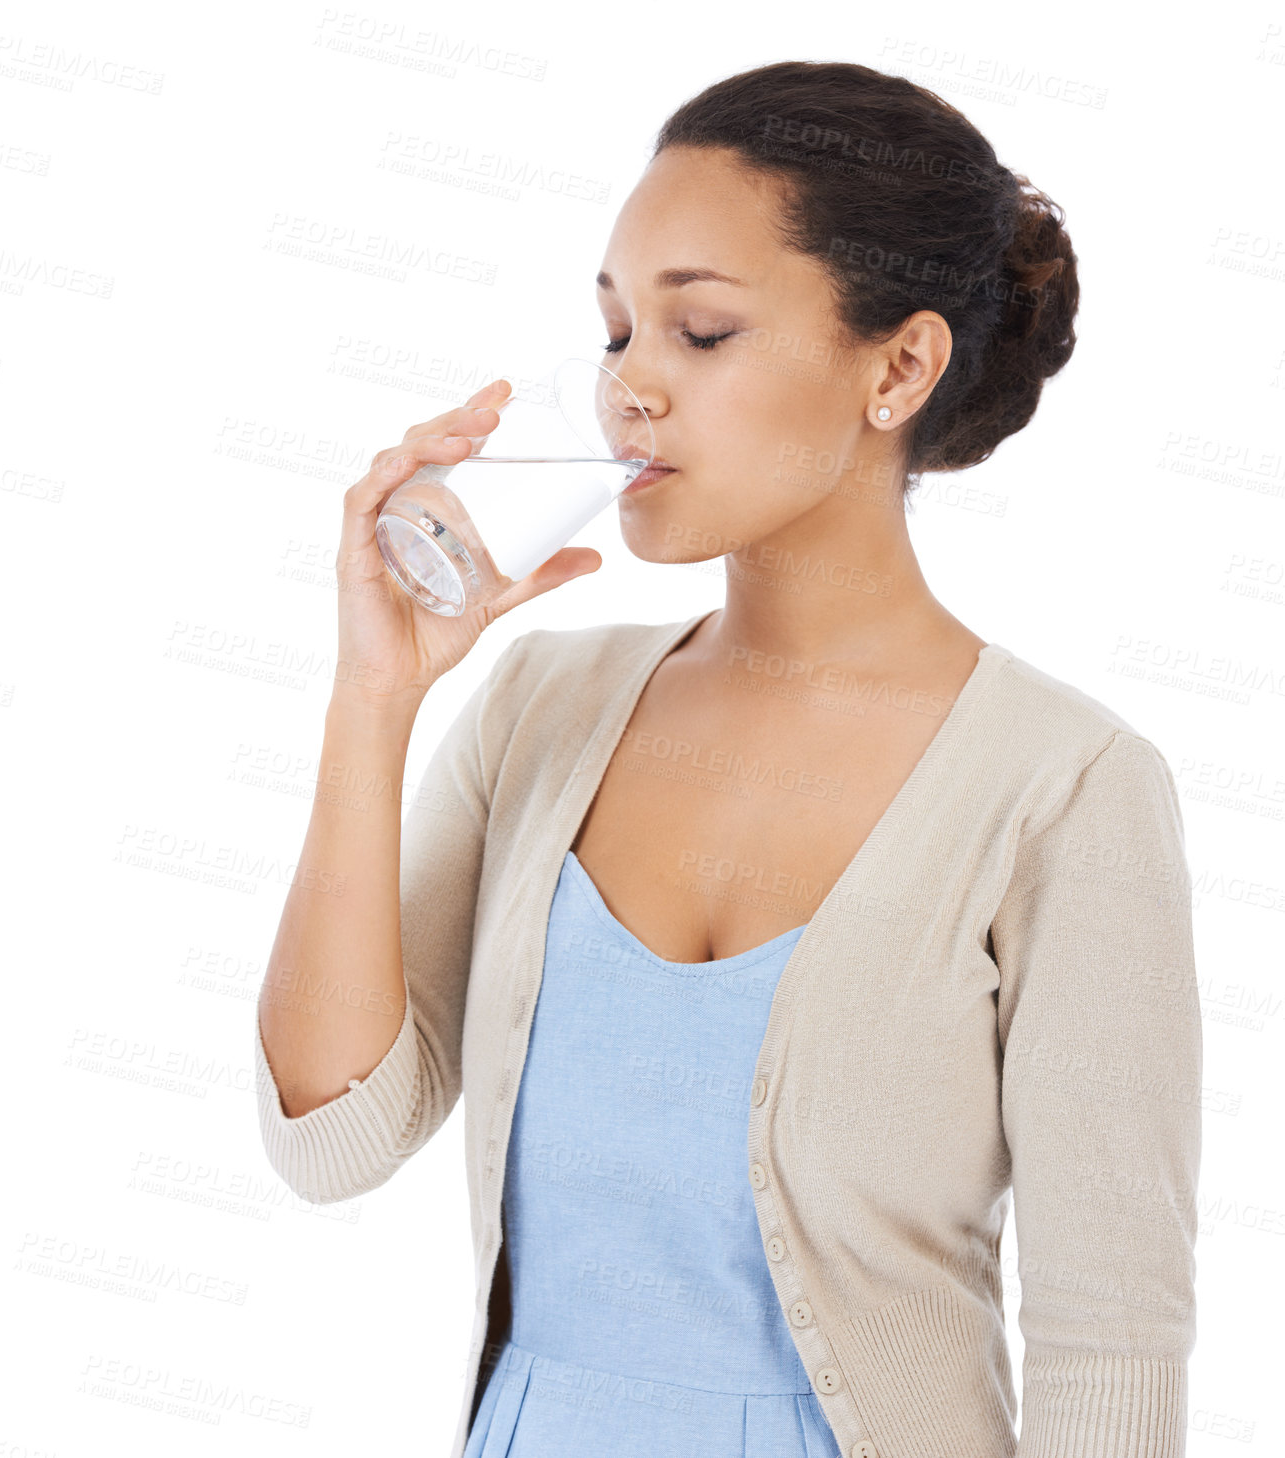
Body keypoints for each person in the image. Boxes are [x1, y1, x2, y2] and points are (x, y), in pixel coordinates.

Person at [254, 60, 1201, 1458]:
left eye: (698, 332)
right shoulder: (539, 703)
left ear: (897, 367)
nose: (628, 388)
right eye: (617, 331)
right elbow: (335, 1139)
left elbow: (1108, 1336)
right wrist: (373, 695)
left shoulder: (1063, 785)